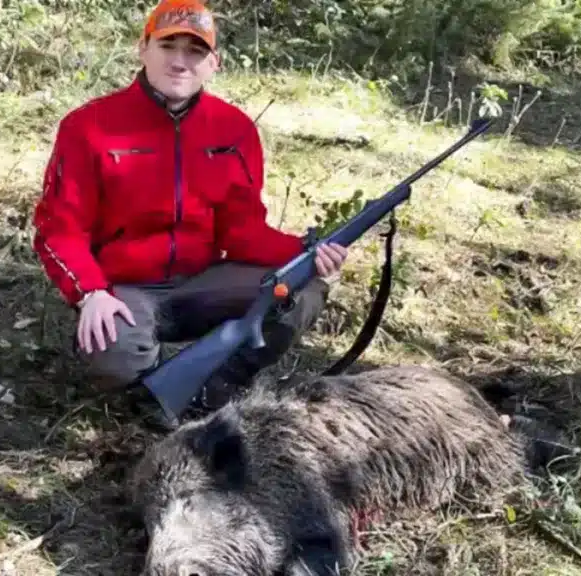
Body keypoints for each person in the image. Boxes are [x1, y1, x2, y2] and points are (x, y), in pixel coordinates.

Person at [31, 0, 349, 429]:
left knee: (301, 289)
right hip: (123, 288)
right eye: (168, 46)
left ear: (213, 63)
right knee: (113, 354)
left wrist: (307, 252)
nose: (180, 61)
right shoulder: (88, 127)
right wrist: (90, 292)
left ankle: (216, 389)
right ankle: (152, 392)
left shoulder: (234, 129)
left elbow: (243, 232)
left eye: (195, 51)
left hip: (200, 282)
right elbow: (59, 230)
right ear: (143, 49)